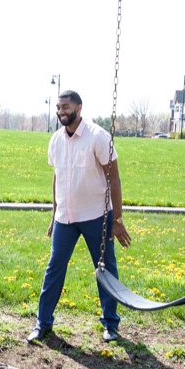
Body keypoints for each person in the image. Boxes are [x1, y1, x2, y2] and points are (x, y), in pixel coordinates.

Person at [30, 90, 133, 344]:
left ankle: (110, 324)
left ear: (79, 108)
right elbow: (57, 178)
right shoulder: (55, 140)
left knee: (105, 268)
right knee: (54, 267)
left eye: (65, 106)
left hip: (96, 215)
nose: (61, 111)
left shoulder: (98, 137)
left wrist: (117, 219)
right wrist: (55, 214)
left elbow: (114, 178)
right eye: (58, 107)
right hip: (66, 217)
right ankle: (43, 323)